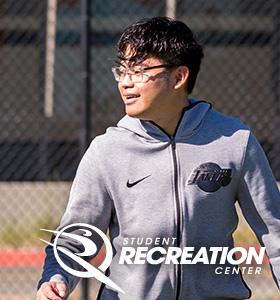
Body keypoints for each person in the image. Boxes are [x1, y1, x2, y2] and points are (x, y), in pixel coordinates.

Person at [36, 17, 280, 299]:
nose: (125, 83)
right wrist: (55, 277)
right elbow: (76, 237)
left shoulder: (235, 141)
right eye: (122, 71)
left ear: (178, 77)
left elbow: (274, 232)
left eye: (139, 72)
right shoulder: (107, 150)